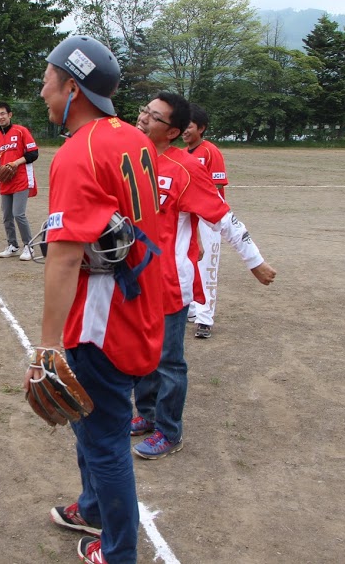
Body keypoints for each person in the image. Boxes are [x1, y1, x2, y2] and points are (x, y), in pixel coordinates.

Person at [25, 36, 165, 564]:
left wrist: (46, 348)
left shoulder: (77, 152)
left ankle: (120, 552)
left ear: (73, 87)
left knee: (105, 439)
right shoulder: (132, 136)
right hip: (141, 301)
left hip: (104, 318)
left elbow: (63, 259)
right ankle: (90, 506)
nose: (42, 91)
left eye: (47, 80)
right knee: (95, 427)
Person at [130, 93, 277, 459]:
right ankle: (146, 415)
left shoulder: (185, 168)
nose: (144, 118)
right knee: (142, 353)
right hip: (135, 278)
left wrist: (254, 261)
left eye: (154, 116)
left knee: (168, 360)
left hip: (168, 279)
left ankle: (169, 431)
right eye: (144, 111)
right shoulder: (131, 161)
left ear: (174, 131)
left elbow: (224, 217)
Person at [183, 104, 229, 338]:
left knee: (207, 265)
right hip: (189, 216)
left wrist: (209, 215)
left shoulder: (210, 151)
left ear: (201, 128)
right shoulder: (185, 153)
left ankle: (205, 319)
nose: (184, 130)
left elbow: (218, 187)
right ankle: (192, 309)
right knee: (190, 262)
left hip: (208, 218)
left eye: (189, 125)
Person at [0, 102, 39, 261]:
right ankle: (12, 245)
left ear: (10, 115)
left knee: (18, 214)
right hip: (5, 181)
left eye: (3, 114)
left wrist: (16, 163)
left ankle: (29, 246)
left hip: (21, 178)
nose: (0, 117)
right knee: (7, 216)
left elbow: (33, 153)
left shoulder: (21, 131)